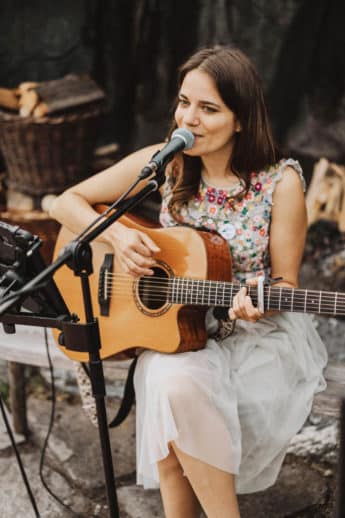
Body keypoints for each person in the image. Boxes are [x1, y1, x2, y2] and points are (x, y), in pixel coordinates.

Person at [50, 46, 327, 518]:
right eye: (184, 102)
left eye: (208, 108)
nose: (189, 119)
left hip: (250, 336)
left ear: (241, 119)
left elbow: (283, 285)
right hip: (175, 333)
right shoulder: (169, 163)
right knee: (174, 379)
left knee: (175, 389)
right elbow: (63, 203)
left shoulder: (280, 183)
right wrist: (115, 236)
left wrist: (257, 301)